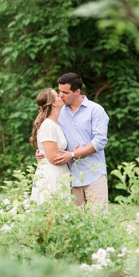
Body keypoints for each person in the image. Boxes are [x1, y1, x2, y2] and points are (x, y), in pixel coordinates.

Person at [36, 72, 109, 208]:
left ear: (77, 91)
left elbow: (100, 141)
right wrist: (43, 152)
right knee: (73, 223)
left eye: (65, 92)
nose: (61, 95)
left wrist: (74, 154)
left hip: (94, 174)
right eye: (60, 92)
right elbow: (50, 135)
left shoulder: (96, 110)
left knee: (99, 220)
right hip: (69, 177)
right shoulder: (58, 110)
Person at [29, 88, 72, 203]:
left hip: (60, 173)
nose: (61, 96)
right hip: (52, 174)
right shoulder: (48, 125)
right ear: (54, 103)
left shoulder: (56, 123)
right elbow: (53, 158)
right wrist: (73, 155)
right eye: (58, 95)